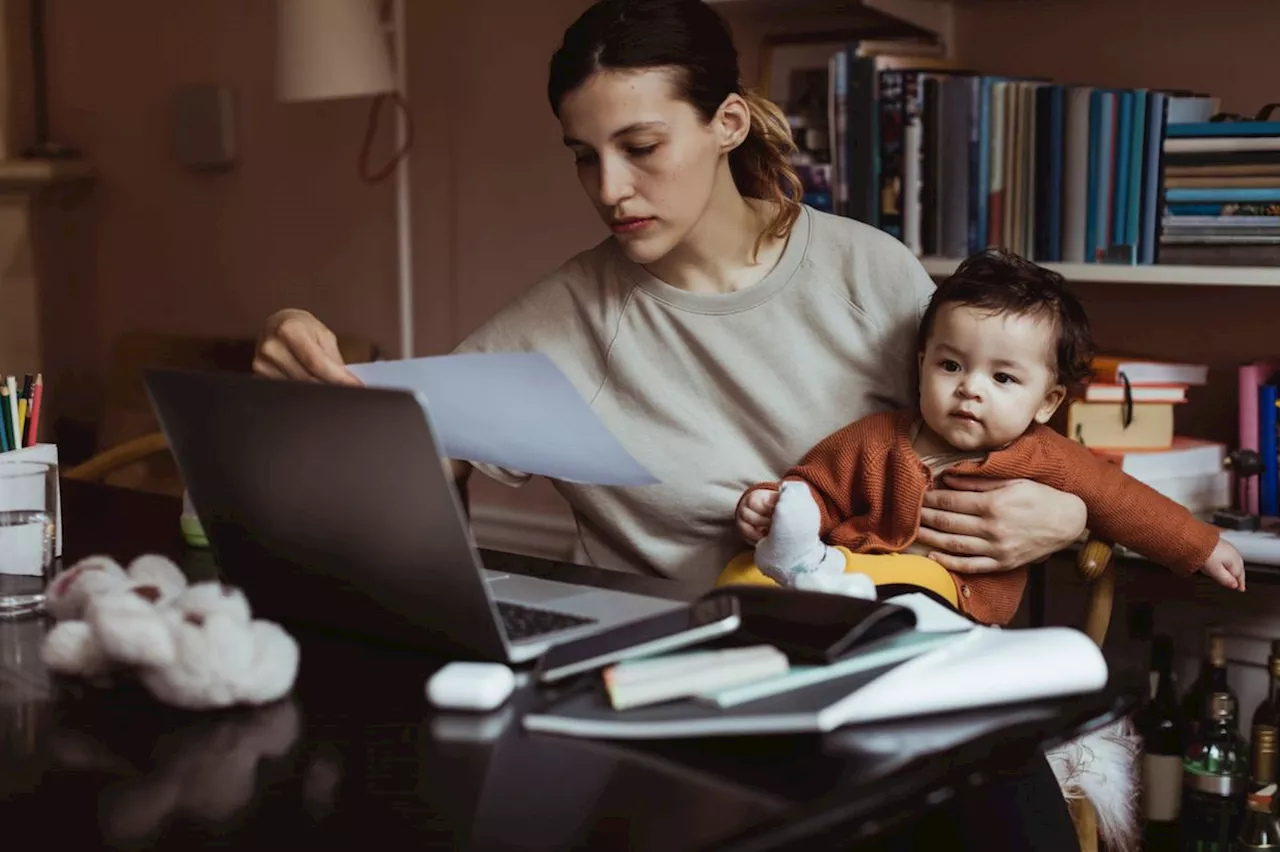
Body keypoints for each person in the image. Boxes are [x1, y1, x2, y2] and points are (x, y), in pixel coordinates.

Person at [252, 0, 1097, 847]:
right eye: (585, 157)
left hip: (889, 669)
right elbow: (415, 467)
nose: (610, 189)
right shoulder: (563, 319)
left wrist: (1066, 513)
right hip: (687, 706)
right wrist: (314, 385)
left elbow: (1003, 429)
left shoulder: (866, 271)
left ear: (727, 122)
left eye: (641, 148)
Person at [725, 249, 1246, 624]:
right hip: (848, 569)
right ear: (922, 365)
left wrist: (1200, 546)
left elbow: (1124, 501)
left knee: (912, 589)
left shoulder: (1047, 457)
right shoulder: (877, 438)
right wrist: (773, 506)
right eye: (951, 365)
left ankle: (825, 591)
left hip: (952, 598)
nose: (970, 388)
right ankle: (799, 581)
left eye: (1002, 378)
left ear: (1047, 401)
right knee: (741, 574)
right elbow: (815, 487)